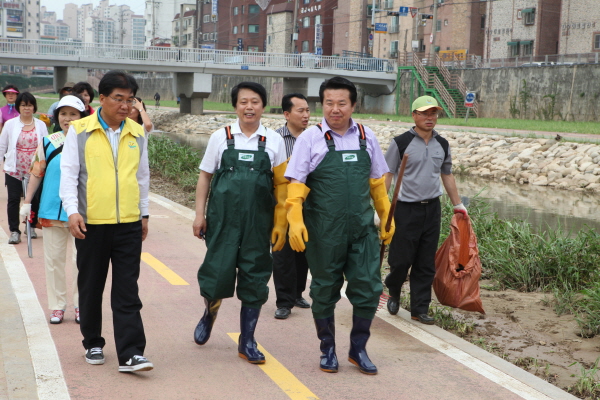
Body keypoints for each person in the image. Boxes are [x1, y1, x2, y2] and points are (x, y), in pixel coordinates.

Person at [285, 77, 394, 375]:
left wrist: (385, 215)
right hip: (324, 232)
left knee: (369, 289)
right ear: (323, 105)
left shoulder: (366, 135)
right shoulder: (310, 138)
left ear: (353, 105)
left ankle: (358, 349)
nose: (335, 109)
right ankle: (327, 348)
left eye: (342, 103)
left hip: (361, 231)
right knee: (323, 291)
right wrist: (294, 220)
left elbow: (377, 184)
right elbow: (296, 186)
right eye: (329, 103)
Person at [60, 70, 153, 373]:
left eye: (130, 100)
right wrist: (72, 211)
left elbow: (142, 178)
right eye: (118, 99)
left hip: (128, 223)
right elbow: (70, 174)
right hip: (92, 223)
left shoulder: (137, 133)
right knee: (91, 285)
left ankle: (131, 352)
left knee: (127, 289)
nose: (125, 106)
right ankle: (93, 342)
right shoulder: (80, 130)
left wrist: (144, 213)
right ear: (101, 99)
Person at [192, 82, 288, 365]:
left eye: (255, 102)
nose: (249, 107)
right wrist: (200, 214)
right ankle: (210, 313)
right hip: (223, 222)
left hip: (259, 224)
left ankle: (247, 340)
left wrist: (281, 223)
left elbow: (282, 185)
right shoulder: (219, 137)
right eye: (244, 102)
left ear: (263, 106)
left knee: (255, 278)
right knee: (216, 273)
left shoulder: (274, 140)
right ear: (235, 106)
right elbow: (205, 177)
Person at [383, 95, 467, 325]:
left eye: (433, 114)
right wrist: (380, 209)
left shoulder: (442, 144)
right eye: (424, 113)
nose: (429, 118)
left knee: (425, 261)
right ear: (414, 115)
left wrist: (458, 205)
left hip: (432, 209)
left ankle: (420, 308)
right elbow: (387, 174)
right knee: (401, 259)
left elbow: (446, 174)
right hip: (405, 209)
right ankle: (394, 292)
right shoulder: (400, 143)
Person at [21, 95, 88, 324]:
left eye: (73, 114)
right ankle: (57, 306)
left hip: (82, 212)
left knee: (82, 262)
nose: (67, 119)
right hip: (51, 210)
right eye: (63, 114)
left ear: (82, 116)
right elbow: (36, 172)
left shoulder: (89, 141)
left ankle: (81, 305)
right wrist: (27, 202)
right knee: (54, 261)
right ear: (57, 117)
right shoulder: (49, 141)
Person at [273, 93, 311, 320]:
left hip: (307, 204)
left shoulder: (315, 138)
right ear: (287, 114)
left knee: (303, 251)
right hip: (282, 206)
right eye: (301, 111)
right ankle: (284, 301)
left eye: (307, 110)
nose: (306, 115)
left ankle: (297, 293)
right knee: (282, 252)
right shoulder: (275, 139)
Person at [0, 92, 47, 244]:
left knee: (34, 198)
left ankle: (31, 225)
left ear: (34, 107)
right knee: (13, 199)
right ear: (19, 107)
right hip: (15, 168)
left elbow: (46, 146)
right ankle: (14, 230)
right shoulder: (10, 124)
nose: (27, 108)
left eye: (30, 105)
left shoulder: (40, 125)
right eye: (23, 105)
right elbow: (2, 145)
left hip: (35, 169)